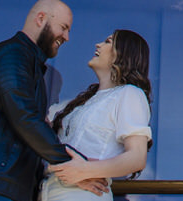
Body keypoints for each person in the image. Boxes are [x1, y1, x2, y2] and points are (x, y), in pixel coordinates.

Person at [0, 0, 106, 201]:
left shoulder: (30, 65)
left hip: (0, 189)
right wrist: (72, 167)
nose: (67, 37)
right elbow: (24, 116)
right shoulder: (13, 55)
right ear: (41, 18)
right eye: (63, 27)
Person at [40, 30, 153, 201]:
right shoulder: (85, 102)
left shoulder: (129, 94)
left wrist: (84, 170)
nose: (98, 44)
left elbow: (136, 158)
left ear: (124, 54)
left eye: (108, 42)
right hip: (50, 192)